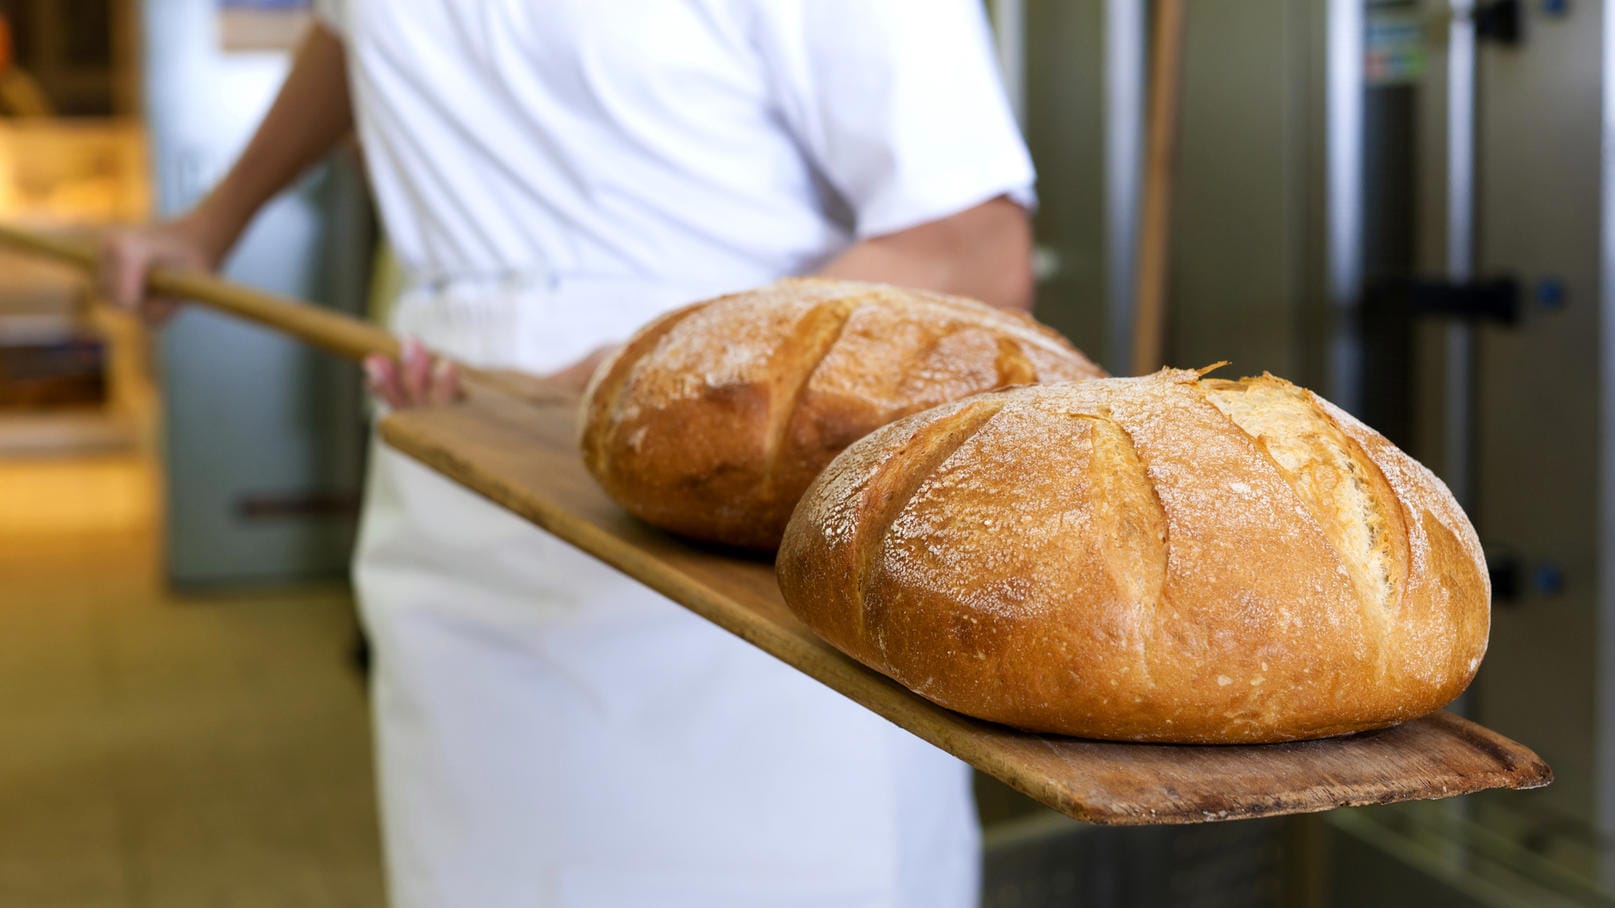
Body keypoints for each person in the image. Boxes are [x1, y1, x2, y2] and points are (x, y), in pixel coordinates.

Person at [101, 2, 1036, 906]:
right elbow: (355, 27)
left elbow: (971, 245)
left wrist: (662, 370)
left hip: (738, 490)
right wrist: (210, 223)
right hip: (452, 468)